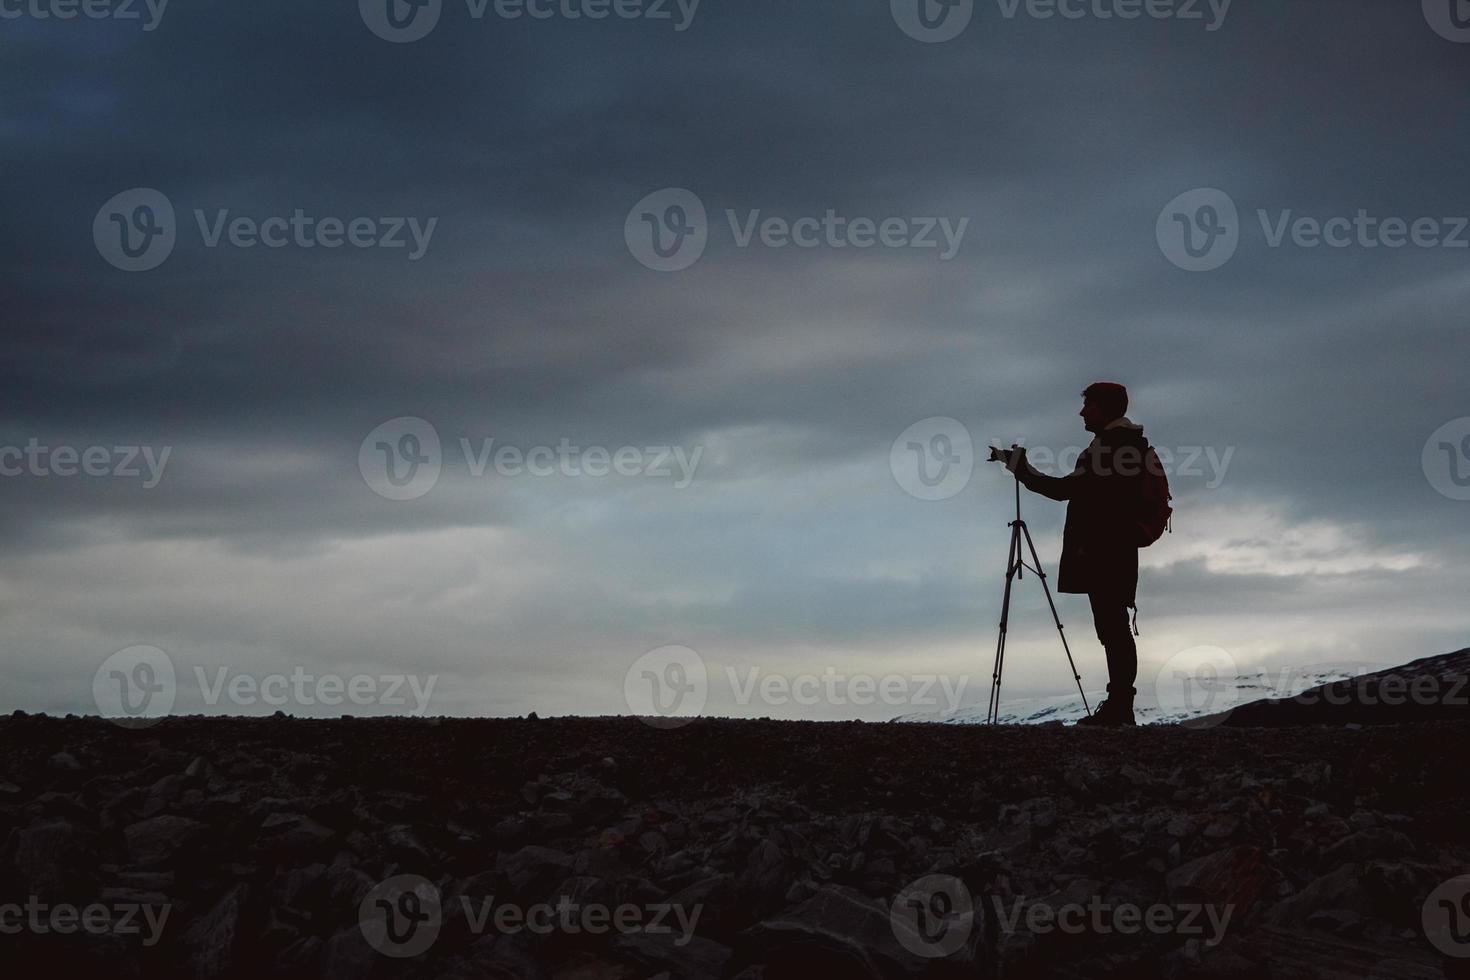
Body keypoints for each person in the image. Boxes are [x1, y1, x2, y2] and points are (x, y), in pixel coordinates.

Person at [998, 382, 1152, 727]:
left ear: (1105, 409)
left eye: (1089, 406)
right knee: (1114, 626)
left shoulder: (1111, 448)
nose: (1083, 413)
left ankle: (1119, 709)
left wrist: (1022, 471)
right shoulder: (1123, 446)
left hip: (1104, 549)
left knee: (1112, 627)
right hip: (1117, 548)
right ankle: (1120, 706)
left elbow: (1068, 489)